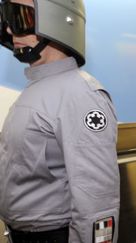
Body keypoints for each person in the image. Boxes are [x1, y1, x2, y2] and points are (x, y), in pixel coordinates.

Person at [0, 1, 119, 243]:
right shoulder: (39, 88)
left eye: (20, 17)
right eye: (7, 19)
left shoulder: (80, 95)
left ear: (57, 21)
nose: (11, 30)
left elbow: (97, 200)